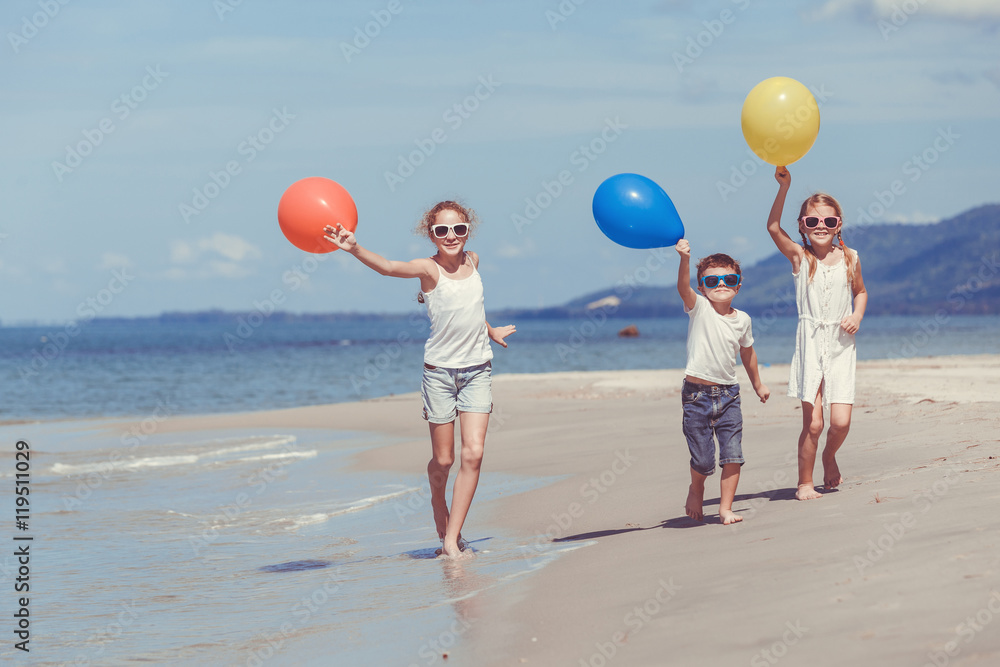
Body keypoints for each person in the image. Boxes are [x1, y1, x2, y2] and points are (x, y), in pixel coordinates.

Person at [324, 201, 515, 558]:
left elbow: (473, 308)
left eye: (458, 229)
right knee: (443, 461)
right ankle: (435, 498)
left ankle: (450, 539)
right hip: (440, 375)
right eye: (442, 231)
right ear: (432, 235)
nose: (451, 236)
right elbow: (389, 267)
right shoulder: (428, 269)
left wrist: (490, 331)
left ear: (468, 230)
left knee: (473, 454)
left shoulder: (474, 260)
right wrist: (355, 248)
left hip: (477, 371)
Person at [767, 166, 868, 500]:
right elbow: (772, 227)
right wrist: (785, 187)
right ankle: (805, 483)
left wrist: (856, 314)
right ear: (802, 226)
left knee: (839, 422)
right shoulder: (801, 256)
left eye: (828, 221)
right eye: (812, 222)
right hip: (810, 343)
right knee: (813, 424)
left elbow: (861, 292)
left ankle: (830, 455)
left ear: (839, 223)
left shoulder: (851, 257)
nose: (820, 227)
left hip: (841, 343)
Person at [675, 239, 769, 524]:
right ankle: (697, 487)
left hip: (729, 395)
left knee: (732, 454)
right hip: (696, 397)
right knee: (703, 460)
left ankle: (725, 508)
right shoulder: (699, 308)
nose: (721, 284)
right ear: (701, 286)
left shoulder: (743, 320)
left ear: (738, 285)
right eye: (712, 280)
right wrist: (684, 260)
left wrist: (758, 384)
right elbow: (682, 287)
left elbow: (748, 352)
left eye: (729, 279)